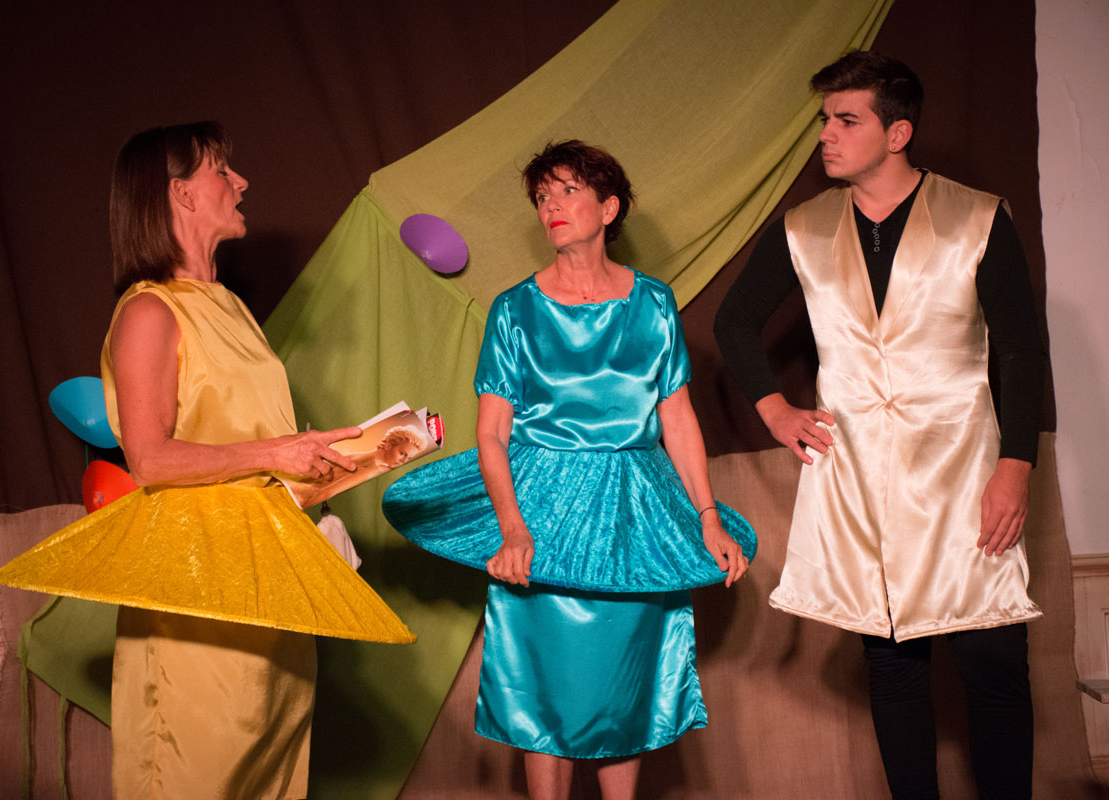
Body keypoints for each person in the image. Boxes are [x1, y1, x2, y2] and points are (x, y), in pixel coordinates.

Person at [0, 121, 413, 798]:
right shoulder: (149, 312)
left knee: (272, 775)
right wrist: (277, 450)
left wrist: (330, 461)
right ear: (180, 193)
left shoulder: (231, 309)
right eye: (222, 169)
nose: (241, 182)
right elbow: (151, 459)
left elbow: (241, 440)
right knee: (201, 773)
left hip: (267, 581)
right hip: (198, 586)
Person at [713, 51, 1045, 799]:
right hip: (859, 472)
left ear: (897, 133)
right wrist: (774, 408)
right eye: (824, 119)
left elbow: (1022, 351)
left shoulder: (977, 217)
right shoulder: (803, 227)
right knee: (892, 663)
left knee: (992, 659)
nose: (825, 134)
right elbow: (734, 321)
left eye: (845, 119)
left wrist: (1015, 465)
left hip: (966, 468)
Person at [383, 140, 752, 800]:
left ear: (609, 208)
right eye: (542, 195)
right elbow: (491, 434)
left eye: (568, 191)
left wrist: (707, 517)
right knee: (542, 689)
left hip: (634, 516)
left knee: (625, 686)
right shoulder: (514, 310)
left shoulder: (654, 303)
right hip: (540, 516)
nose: (551, 205)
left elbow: (677, 419)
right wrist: (512, 528)